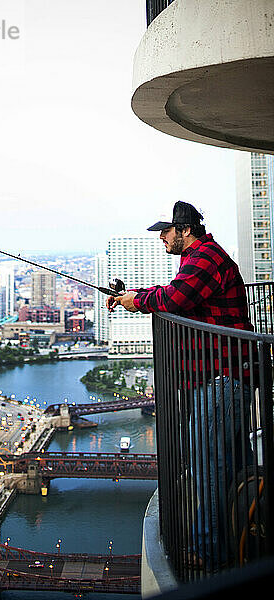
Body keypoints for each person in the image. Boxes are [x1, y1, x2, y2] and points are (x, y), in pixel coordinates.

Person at [106, 201, 255, 570]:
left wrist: (137, 301)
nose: (161, 237)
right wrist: (136, 296)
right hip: (223, 376)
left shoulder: (205, 257)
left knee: (207, 466)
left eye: (166, 230)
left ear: (184, 230)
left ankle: (211, 552)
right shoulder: (199, 258)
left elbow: (175, 298)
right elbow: (176, 291)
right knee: (228, 462)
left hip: (224, 378)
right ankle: (246, 530)